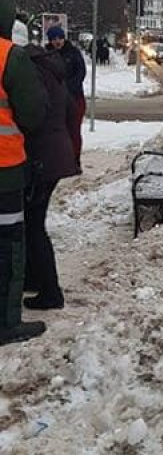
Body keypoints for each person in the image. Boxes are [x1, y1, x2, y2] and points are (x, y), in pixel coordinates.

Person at [0, 0, 48, 346]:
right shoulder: (10, 58)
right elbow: (32, 114)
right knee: (8, 247)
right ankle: (7, 323)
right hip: (4, 173)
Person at [23, 37, 79, 311]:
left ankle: (49, 291)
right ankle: (35, 279)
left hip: (41, 158)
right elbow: (70, 110)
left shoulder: (31, 73)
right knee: (32, 221)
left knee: (32, 225)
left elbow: (30, 115)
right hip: (54, 155)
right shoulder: (51, 71)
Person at [46, 24, 86, 168]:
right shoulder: (47, 55)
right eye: (54, 39)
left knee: (74, 131)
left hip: (74, 98)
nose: (57, 41)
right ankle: (60, 160)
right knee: (57, 132)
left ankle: (74, 160)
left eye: (60, 38)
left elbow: (81, 73)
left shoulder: (73, 53)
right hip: (56, 102)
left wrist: (67, 88)